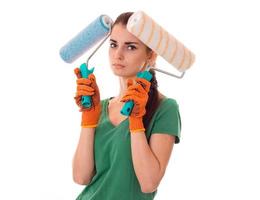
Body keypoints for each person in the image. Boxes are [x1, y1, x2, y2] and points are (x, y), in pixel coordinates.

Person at [72, 12, 181, 200]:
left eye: (130, 47)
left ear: (151, 55)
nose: (118, 55)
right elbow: (81, 177)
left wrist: (136, 120)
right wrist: (89, 119)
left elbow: (148, 183)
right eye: (113, 45)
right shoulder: (100, 107)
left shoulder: (165, 109)